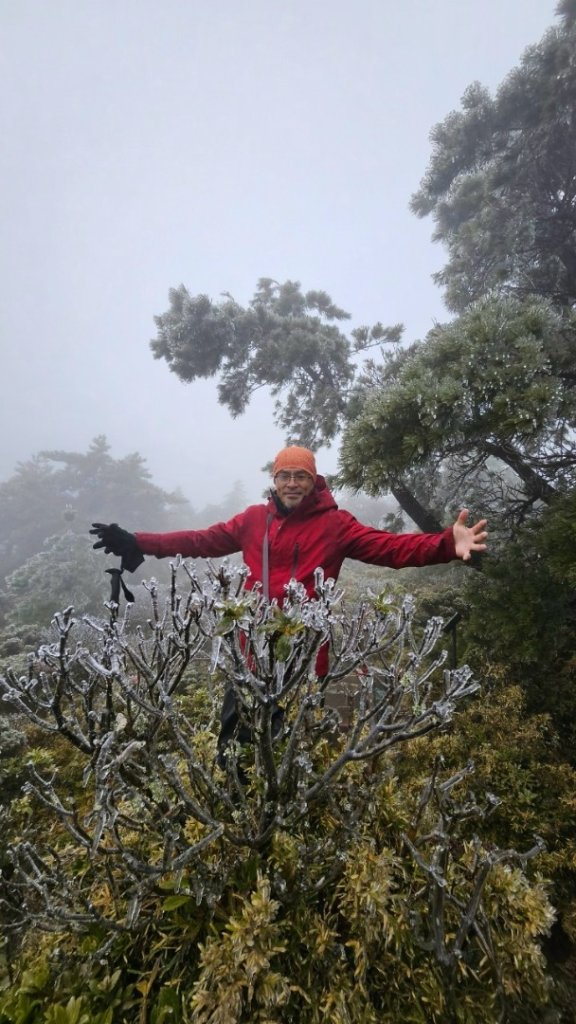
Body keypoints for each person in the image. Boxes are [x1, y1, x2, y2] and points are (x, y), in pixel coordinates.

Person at [90, 445, 487, 757]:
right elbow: (199, 541)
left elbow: (391, 549)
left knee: (294, 748)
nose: (293, 483)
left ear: (314, 482)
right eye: (285, 475)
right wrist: (139, 541)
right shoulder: (251, 521)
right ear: (274, 480)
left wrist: (445, 544)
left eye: (301, 476)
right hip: (251, 655)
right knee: (236, 749)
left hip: (305, 661)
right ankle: (238, 823)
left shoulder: (335, 525)